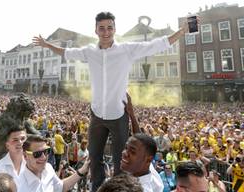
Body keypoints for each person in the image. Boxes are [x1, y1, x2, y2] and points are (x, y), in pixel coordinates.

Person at [33, 11, 189, 191]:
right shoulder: (89, 51)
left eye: (109, 28)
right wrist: (46, 44)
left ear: (115, 29)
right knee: (94, 157)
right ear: (96, 30)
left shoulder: (126, 50)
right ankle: (97, 189)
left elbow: (156, 45)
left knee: (119, 160)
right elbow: (66, 53)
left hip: (118, 114)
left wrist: (181, 32)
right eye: (102, 28)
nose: (106, 32)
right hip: (97, 114)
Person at [18, 134, 90, 192]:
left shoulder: (48, 168)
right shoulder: (17, 185)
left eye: (46, 151)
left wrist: (82, 170)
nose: (44, 157)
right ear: (25, 156)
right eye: (37, 154)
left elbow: (61, 187)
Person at [0, 118, 27, 187]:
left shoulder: (34, 165)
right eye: (15, 140)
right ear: (7, 144)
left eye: (23, 139)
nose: (20, 142)